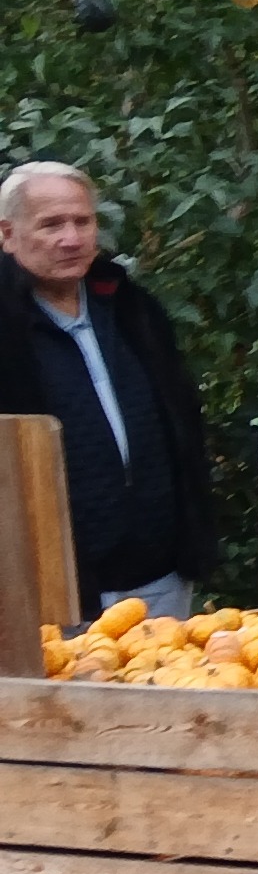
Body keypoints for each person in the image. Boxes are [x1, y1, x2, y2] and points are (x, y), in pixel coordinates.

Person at [0, 161, 214, 619]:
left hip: (160, 578)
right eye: (52, 224)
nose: (72, 239)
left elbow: (182, 426)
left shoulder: (131, 309)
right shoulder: (7, 327)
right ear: (8, 234)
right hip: (43, 589)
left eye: (83, 221)